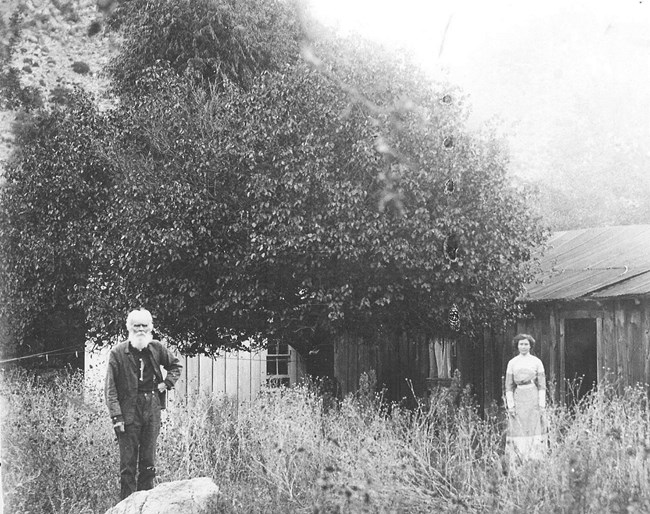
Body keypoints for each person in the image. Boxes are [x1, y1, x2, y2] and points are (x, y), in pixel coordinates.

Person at [105, 308, 182, 500]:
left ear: (151, 328)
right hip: (128, 411)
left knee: (148, 463)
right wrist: (117, 417)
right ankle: (127, 507)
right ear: (129, 328)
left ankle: (146, 505)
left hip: (152, 407)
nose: (140, 329)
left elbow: (175, 365)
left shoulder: (156, 348)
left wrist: (167, 383)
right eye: (136, 326)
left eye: (144, 326)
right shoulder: (118, 353)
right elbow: (110, 388)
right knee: (128, 466)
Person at [504, 333, 547, 464]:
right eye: (521, 344)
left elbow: (542, 385)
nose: (523, 347)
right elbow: (509, 386)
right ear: (517, 346)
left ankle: (534, 457)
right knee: (518, 426)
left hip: (532, 396)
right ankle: (517, 457)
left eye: (526, 344)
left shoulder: (536, 362)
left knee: (533, 425)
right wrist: (511, 406)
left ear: (530, 346)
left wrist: (541, 404)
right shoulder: (512, 363)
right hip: (519, 398)